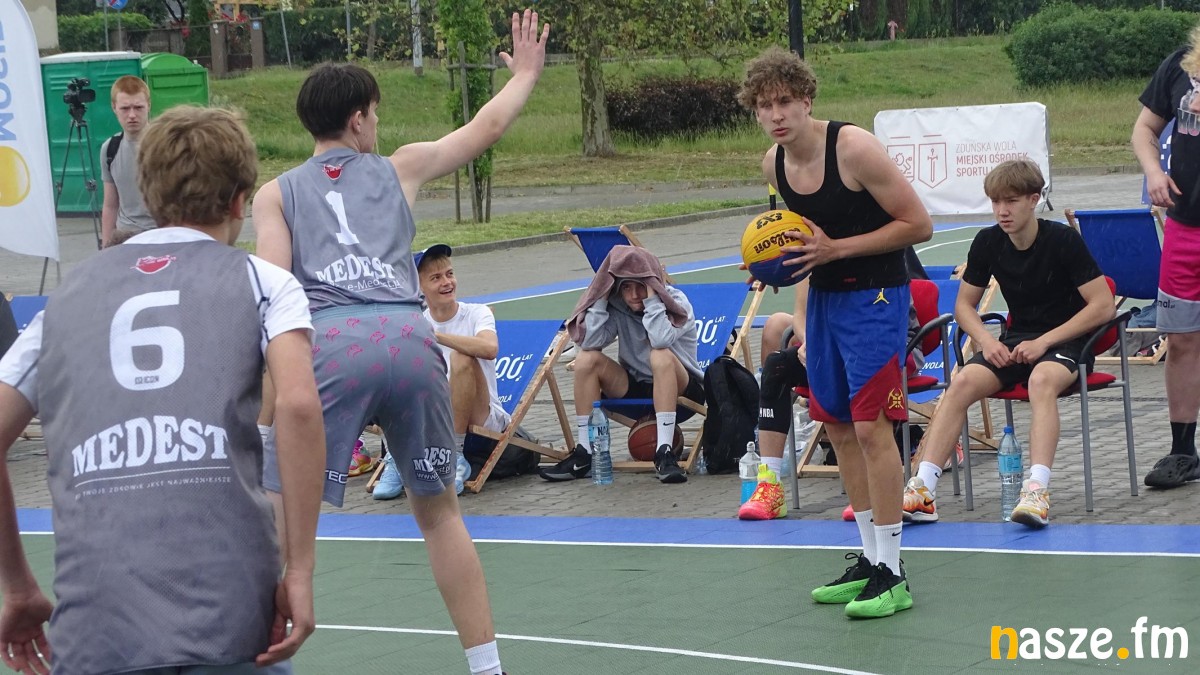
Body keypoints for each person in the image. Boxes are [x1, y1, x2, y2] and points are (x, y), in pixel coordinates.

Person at [252, 11, 548, 674]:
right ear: (358, 118)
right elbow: (484, 129)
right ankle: (487, 666)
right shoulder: (399, 168)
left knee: (278, 505)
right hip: (412, 338)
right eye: (376, 114)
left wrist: (262, 402)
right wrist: (525, 75)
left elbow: (273, 292)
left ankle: (261, 655)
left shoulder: (276, 194)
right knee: (440, 515)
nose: (379, 124)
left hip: (334, 341)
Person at [0, 106, 324, 674]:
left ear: (148, 197)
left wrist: (18, 585)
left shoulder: (64, 301)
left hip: (96, 626)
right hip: (230, 615)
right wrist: (299, 570)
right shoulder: (263, 281)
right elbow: (298, 404)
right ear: (239, 201)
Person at [738, 46, 933, 619]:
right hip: (823, 299)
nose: (776, 114)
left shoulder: (853, 148)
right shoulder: (772, 165)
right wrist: (772, 265)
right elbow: (797, 237)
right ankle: (870, 561)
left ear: (807, 100)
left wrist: (836, 249)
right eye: (764, 105)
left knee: (872, 429)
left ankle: (894, 573)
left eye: (785, 101)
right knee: (839, 426)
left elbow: (919, 224)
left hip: (877, 296)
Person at [903, 160, 1114, 528]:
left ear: (1034, 200)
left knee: (1041, 381)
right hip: (1015, 342)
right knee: (962, 383)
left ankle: (1036, 492)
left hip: (1068, 341)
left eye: (1011, 201)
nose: (1002, 210)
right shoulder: (988, 242)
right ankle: (923, 489)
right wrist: (986, 341)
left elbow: (1103, 305)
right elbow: (964, 307)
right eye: (996, 201)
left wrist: (1044, 341)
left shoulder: (1063, 241)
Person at [740, 275, 926, 523]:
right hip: (833, 342)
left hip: (893, 342)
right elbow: (801, 315)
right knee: (777, 366)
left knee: (857, 382)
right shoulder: (810, 263)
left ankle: (871, 493)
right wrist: (809, 342)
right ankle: (770, 483)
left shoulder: (871, 263)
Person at [541, 245, 704, 485]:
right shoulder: (619, 307)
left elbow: (660, 339)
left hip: (682, 391)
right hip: (636, 388)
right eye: (626, 287)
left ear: (653, 283)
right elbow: (589, 342)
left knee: (659, 355)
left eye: (641, 285)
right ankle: (585, 452)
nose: (634, 295)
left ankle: (664, 452)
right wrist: (602, 297)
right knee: (586, 359)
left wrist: (653, 299)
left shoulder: (677, 303)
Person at [373, 244, 497, 500]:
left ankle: (454, 455)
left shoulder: (477, 312)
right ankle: (396, 457)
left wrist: (435, 336)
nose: (447, 282)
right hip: (431, 414)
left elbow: (489, 348)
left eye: (449, 274)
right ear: (418, 287)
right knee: (389, 364)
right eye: (436, 278)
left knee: (462, 357)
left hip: (479, 414)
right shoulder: (415, 321)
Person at [1132, 24, 1200, 489]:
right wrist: (1154, 171)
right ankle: (1183, 451)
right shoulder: (1180, 63)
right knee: (1181, 341)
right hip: (1184, 226)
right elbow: (1144, 129)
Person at [100, 75, 157, 247]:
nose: (132, 115)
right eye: (125, 108)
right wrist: (106, 248)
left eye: (138, 107)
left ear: (149, 105)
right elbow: (110, 205)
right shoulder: (109, 149)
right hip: (126, 238)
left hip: (161, 234)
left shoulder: (166, 145)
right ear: (114, 108)